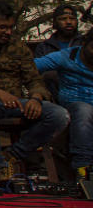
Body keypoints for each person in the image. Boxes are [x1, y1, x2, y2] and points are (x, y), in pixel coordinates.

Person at [0, 1, 69, 184]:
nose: (7, 32)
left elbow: (34, 80)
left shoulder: (18, 47)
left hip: (17, 103)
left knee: (59, 114)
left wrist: (36, 98)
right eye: (1, 27)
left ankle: (11, 156)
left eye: (10, 28)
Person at [35, 27, 93, 180]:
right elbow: (32, 67)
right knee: (84, 111)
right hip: (76, 104)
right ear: (85, 43)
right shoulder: (68, 56)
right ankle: (83, 168)